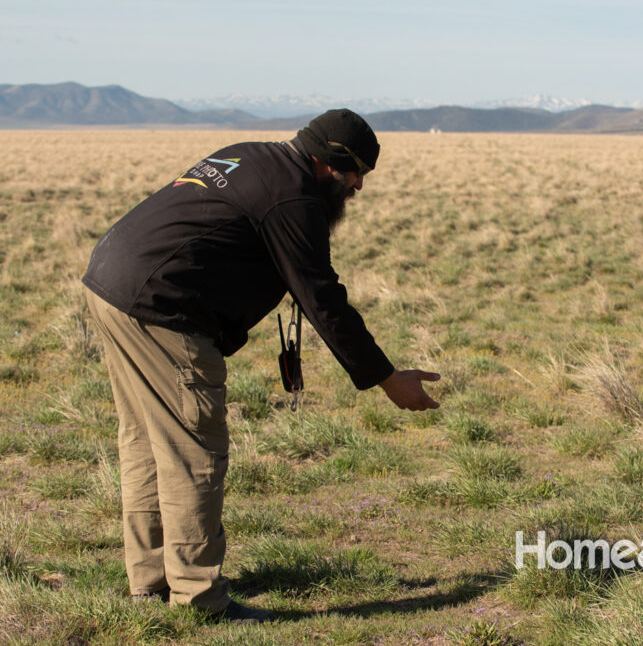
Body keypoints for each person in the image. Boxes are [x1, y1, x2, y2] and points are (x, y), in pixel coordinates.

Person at [82, 109, 440, 623]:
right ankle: (199, 598)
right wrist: (386, 377)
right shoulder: (293, 197)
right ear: (332, 163)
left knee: (144, 441)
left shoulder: (251, 154)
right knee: (193, 450)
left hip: (112, 285)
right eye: (358, 173)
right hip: (163, 308)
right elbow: (323, 299)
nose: (359, 187)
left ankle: (150, 583)